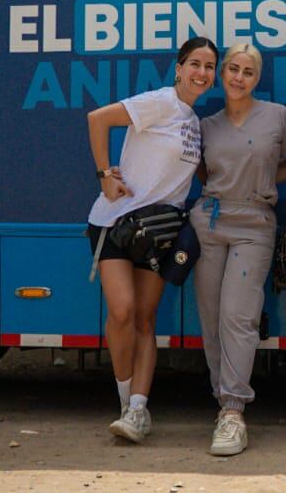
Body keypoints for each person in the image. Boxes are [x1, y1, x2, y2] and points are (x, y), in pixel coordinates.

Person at [85, 36, 217, 444]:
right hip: (115, 221)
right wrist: (104, 175)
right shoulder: (160, 102)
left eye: (209, 67)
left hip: (160, 231)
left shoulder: (194, 123)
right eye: (195, 64)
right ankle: (125, 400)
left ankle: (138, 411)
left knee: (144, 318)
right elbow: (97, 119)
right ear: (179, 68)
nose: (202, 73)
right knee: (122, 311)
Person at [192, 43, 286, 456]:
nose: (239, 78)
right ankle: (221, 402)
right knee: (211, 318)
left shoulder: (277, 116)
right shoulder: (207, 125)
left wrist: (261, 180)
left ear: (257, 78)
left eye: (248, 72)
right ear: (222, 74)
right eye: (233, 69)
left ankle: (234, 412)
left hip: (255, 223)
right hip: (210, 221)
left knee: (238, 316)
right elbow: (202, 171)